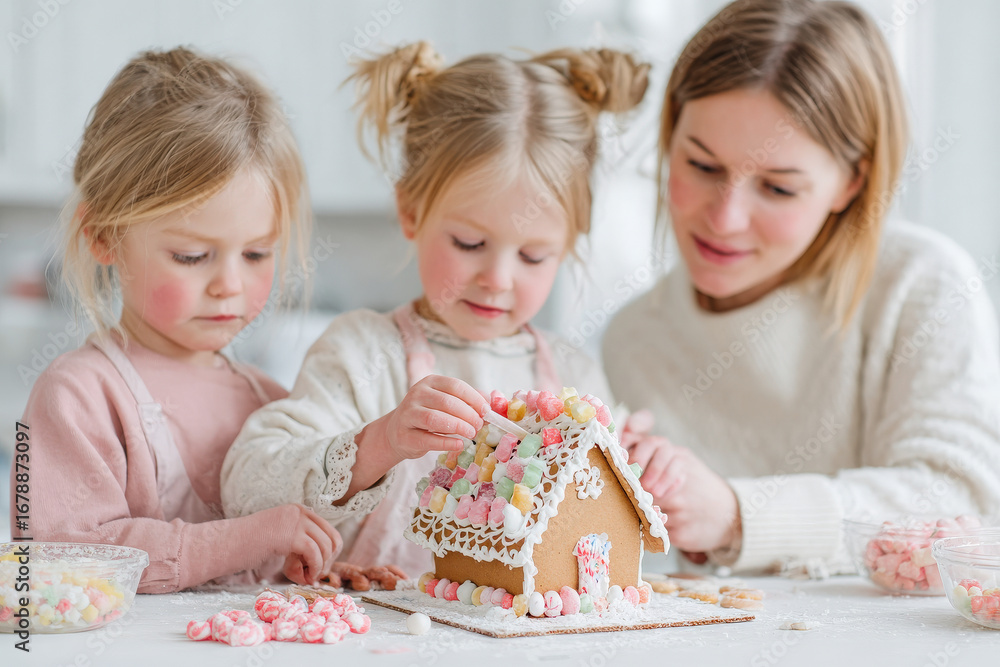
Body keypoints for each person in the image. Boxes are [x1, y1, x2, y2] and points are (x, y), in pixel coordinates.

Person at [222, 42, 652, 576]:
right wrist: (380, 442)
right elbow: (245, 488)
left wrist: (642, 472)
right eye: (470, 243)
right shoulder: (362, 353)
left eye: (533, 256)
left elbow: (600, 540)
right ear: (410, 210)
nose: (497, 279)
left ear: (569, 242)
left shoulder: (574, 377)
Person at [604, 0, 1000, 572]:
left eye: (778, 188)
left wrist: (738, 516)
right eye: (703, 166)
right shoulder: (631, 339)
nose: (725, 219)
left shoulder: (920, 286)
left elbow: (964, 500)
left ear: (851, 182)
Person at [14, 47, 341, 593]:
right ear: (104, 236)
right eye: (192, 256)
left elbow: (278, 568)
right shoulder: (77, 397)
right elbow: (55, 561)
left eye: (256, 254)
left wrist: (315, 565)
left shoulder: (272, 401)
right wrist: (246, 538)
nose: (230, 284)